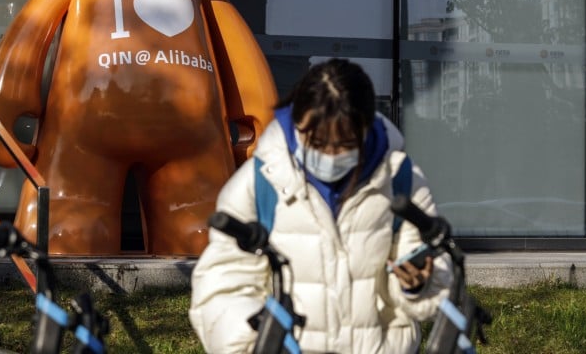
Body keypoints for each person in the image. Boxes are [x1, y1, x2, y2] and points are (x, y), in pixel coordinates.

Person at [189, 58, 452, 354]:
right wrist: (254, 340)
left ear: (366, 129)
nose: (329, 154)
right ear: (297, 123)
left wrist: (416, 287)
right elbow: (224, 283)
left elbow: (434, 275)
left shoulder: (401, 180)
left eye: (344, 145)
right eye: (316, 142)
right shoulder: (259, 182)